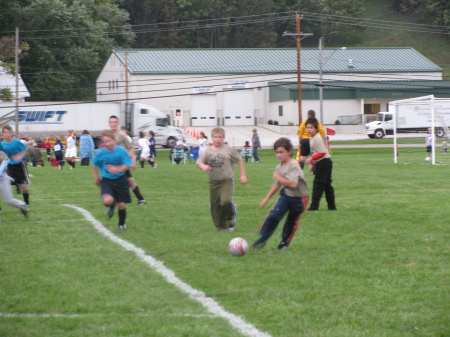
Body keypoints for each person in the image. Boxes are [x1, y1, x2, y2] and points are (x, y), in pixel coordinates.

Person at [251, 137, 308, 249]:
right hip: (286, 196)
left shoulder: (293, 165)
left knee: (291, 222)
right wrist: (266, 198)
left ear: (289, 152)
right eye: (277, 152)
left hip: (299, 199)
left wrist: (278, 177)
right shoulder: (279, 166)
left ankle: (284, 243)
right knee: (273, 216)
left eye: (281, 152)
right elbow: (277, 184)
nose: (278, 155)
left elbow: (293, 184)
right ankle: (262, 239)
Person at [197, 127, 247, 231]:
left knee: (224, 201)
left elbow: (239, 161)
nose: (218, 139)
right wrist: (204, 167)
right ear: (212, 138)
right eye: (215, 137)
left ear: (223, 138)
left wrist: (243, 175)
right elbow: (199, 162)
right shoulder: (208, 151)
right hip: (213, 182)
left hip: (226, 180)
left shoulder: (228, 150)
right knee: (215, 206)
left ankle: (230, 221)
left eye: (220, 137)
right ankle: (220, 226)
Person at [93, 130, 133, 231]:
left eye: (109, 141)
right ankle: (111, 205)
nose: (107, 144)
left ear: (114, 140)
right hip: (107, 180)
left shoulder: (121, 151)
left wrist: (117, 169)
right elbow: (95, 164)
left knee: (122, 204)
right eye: (105, 142)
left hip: (121, 180)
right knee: (107, 201)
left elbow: (127, 165)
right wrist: (97, 177)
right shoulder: (101, 152)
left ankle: (121, 224)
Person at [109, 115, 146, 205]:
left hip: (122, 163)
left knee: (129, 181)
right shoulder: (109, 135)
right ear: (109, 124)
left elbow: (131, 148)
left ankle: (140, 199)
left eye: (114, 122)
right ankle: (140, 199)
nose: (113, 124)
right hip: (113, 163)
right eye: (111, 122)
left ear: (117, 123)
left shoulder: (121, 135)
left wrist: (133, 161)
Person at [305, 118, 336, 211]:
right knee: (327, 186)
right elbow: (314, 152)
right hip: (321, 162)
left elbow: (322, 152)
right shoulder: (312, 138)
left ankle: (314, 207)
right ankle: (332, 207)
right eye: (307, 127)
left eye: (311, 127)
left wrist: (311, 159)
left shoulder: (317, 138)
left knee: (318, 185)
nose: (309, 129)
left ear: (316, 129)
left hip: (324, 162)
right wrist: (311, 164)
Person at [1, 125, 31, 205]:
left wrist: (19, 156)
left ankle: (26, 202)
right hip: (9, 165)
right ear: (2, 134)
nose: (7, 134)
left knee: (23, 184)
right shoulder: (2, 144)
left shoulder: (16, 142)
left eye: (9, 132)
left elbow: (25, 150)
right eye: (5, 133)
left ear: (12, 133)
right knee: (6, 182)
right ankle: (15, 184)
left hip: (20, 164)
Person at [0, 149, 29, 217]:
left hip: (2, 179)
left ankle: (22, 206)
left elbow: (6, 161)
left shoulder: (1, 154)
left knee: (9, 200)